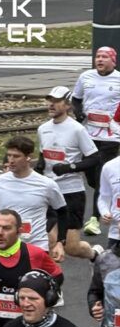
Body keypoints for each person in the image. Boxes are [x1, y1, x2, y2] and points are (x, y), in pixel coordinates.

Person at [36, 86, 102, 261]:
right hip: (49, 190)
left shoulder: (77, 129)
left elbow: (94, 158)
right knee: (49, 242)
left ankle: (96, 255)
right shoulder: (43, 129)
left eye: (56, 101)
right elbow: (44, 153)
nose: (51, 104)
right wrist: (39, 165)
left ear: (67, 105)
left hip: (71, 192)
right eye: (49, 100)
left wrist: (69, 168)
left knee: (71, 247)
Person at [0, 135, 68, 262]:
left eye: (16, 156)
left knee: (33, 282)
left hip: (37, 247)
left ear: (28, 158)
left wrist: (60, 242)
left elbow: (62, 212)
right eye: (9, 155)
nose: (11, 160)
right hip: (5, 247)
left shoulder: (47, 184)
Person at [72, 46, 120, 236]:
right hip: (88, 133)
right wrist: (78, 112)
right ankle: (105, 196)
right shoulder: (86, 77)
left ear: (113, 61)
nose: (100, 60)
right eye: (97, 56)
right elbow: (76, 99)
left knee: (102, 174)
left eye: (104, 57)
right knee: (92, 176)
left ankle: (94, 219)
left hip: (111, 136)